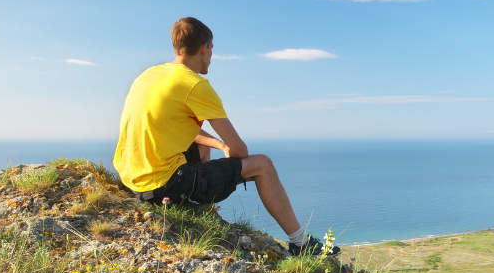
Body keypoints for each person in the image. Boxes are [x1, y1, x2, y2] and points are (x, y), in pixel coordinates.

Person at [113, 16, 337, 257]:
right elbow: (240, 150)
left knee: (200, 147)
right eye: (212, 49)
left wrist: (218, 144)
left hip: (132, 180)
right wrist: (229, 149)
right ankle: (300, 243)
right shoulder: (195, 84)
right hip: (164, 187)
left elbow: (173, 126)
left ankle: (196, 205)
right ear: (205, 47)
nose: (211, 56)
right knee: (263, 165)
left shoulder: (150, 75)